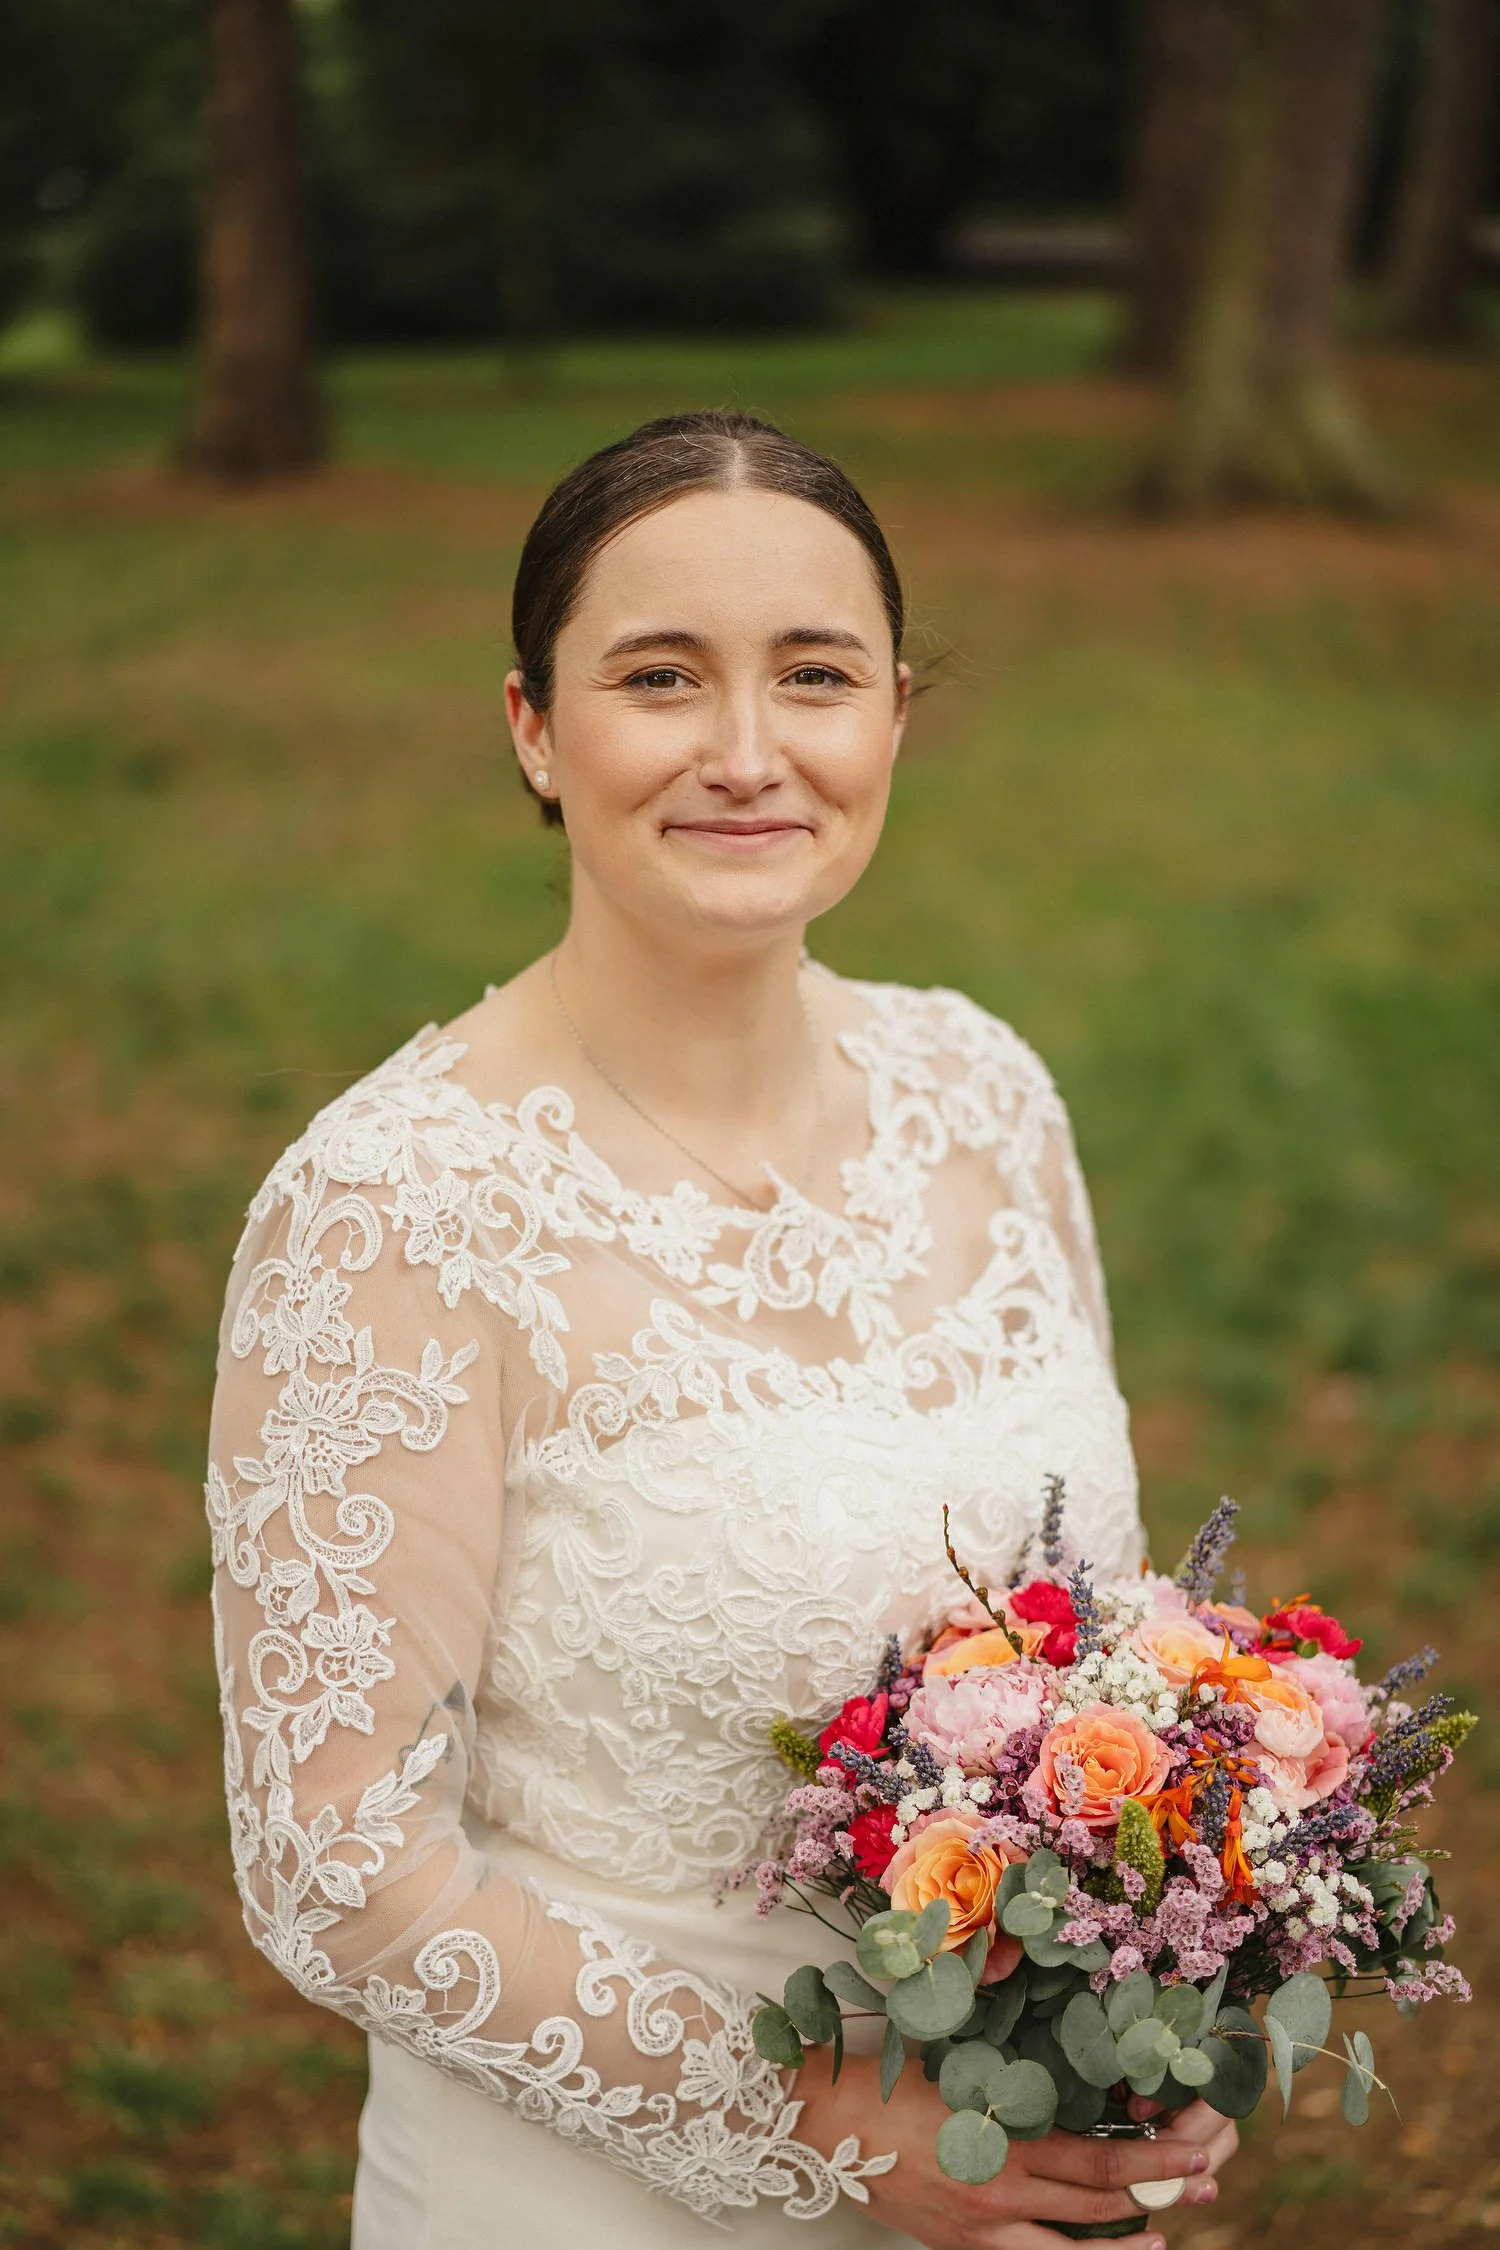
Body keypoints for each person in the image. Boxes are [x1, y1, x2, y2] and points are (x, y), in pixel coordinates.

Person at [206, 411, 1238, 2246]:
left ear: (896, 715)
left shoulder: (986, 1091)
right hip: (595, 2187)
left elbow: (1112, 1645)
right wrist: (831, 2133)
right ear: (534, 725)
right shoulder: (397, 1205)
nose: (749, 753)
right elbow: (336, 1865)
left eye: (816, 675)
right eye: (661, 676)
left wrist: (1132, 2013)